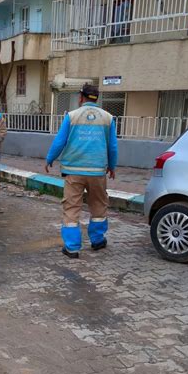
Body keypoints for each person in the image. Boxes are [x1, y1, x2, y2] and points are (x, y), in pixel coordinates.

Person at [45, 84, 118, 259]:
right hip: (97, 171)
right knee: (99, 206)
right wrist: (112, 166)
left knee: (71, 208)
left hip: (74, 171)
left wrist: (50, 159)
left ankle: (72, 248)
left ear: (80, 97)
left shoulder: (71, 116)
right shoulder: (108, 118)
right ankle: (97, 240)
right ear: (96, 98)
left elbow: (59, 142)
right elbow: (113, 146)